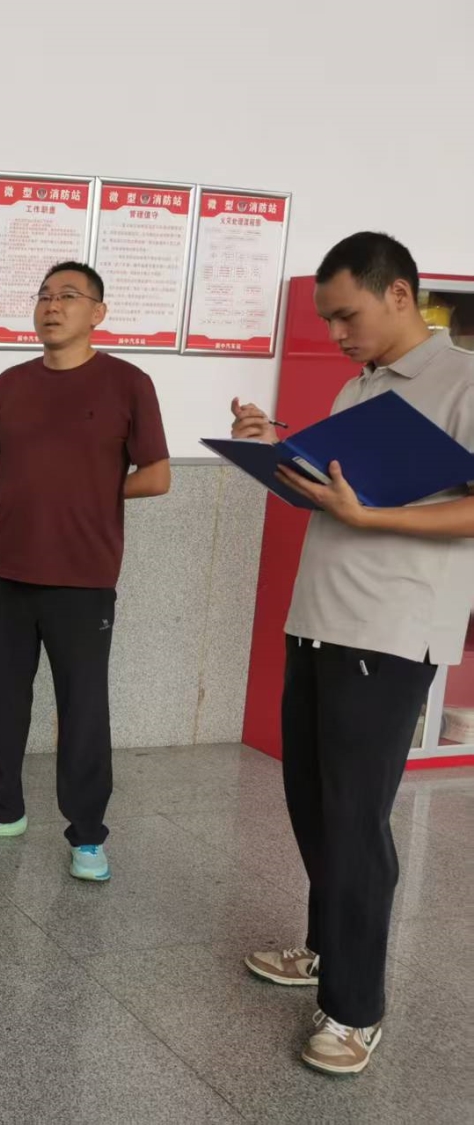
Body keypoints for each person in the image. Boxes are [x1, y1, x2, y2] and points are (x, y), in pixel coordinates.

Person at [232, 232, 474, 1075]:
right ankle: (326, 949)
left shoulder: (463, 380)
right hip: (320, 619)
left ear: (399, 294)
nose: (337, 334)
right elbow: (343, 491)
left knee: (355, 819)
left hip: (390, 632)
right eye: (328, 320)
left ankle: (356, 1008)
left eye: (347, 315)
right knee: (311, 800)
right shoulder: (360, 383)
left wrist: (374, 518)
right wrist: (276, 449)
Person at [0, 261, 170, 881]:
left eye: (68, 295)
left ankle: (88, 835)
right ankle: (1, 808)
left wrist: (92, 491)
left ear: (98, 313)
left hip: (84, 579)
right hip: (8, 574)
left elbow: (157, 475)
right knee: (5, 701)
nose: (52, 305)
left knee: (83, 710)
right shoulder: (10, 384)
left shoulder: (128, 383)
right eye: (44, 295)